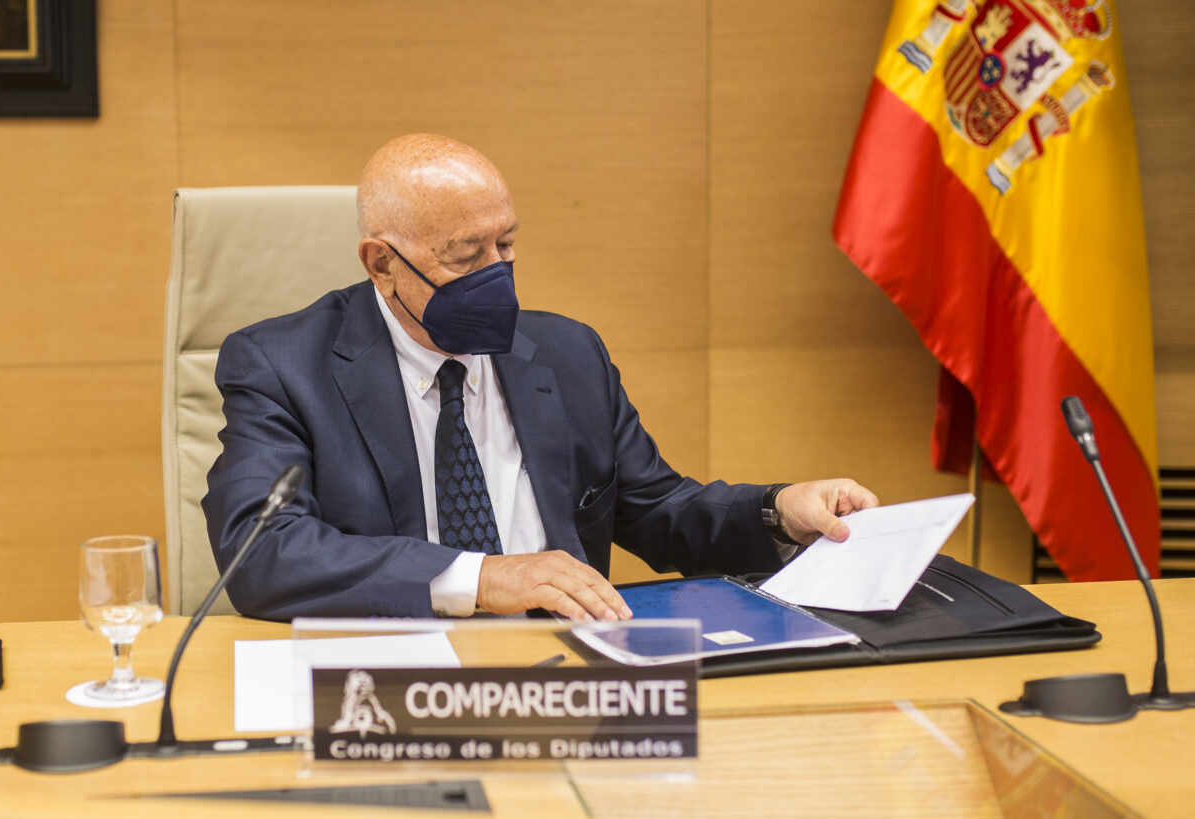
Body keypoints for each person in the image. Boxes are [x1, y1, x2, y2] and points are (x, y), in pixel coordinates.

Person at [203, 133, 878, 621]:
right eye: (465, 257)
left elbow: (658, 512)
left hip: (570, 663)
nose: (497, 273)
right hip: (399, 666)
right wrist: (479, 578)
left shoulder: (566, 353)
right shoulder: (283, 366)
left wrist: (779, 510)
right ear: (381, 263)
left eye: (507, 244)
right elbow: (263, 553)